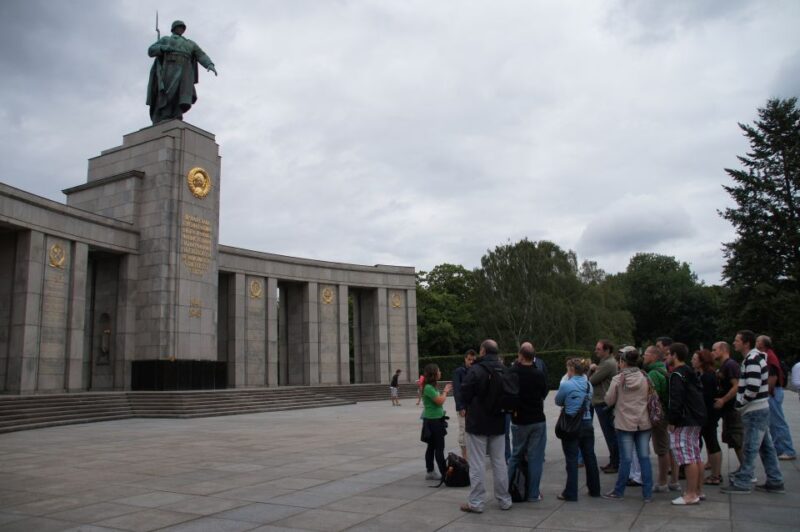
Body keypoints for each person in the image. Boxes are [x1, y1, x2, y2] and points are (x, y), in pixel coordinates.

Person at [722, 330, 785, 494]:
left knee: (750, 446)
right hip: (760, 407)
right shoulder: (755, 358)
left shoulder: (752, 359)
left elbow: (752, 387)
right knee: (766, 447)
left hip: (754, 409)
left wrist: (740, 402)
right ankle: (775, 480)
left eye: (737, 340)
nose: (734, 343)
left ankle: (744, 481)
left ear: (746, 343)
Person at [458, 339, 513, 513]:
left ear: (483, 351)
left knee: (477, 463)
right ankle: (505, 499)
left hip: (477, 422)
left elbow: (465, 392)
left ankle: (476, 502)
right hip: (498, 421)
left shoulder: (476, 370)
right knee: (499, 462)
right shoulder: (504, 370)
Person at [602, 347, 653, 501]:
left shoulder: (618, 379)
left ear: (623, 362)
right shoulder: (645, 377)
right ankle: (647, 494)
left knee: (626, 459)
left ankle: (619, 491)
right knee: (644, 458)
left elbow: (609, 400)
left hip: (624, 422)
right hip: (643, 421)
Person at [147, 20, 218, 124]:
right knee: (169, 91)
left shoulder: (190, 43)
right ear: (173, 29)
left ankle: (177, 113)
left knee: (182, 93)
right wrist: (162, 48)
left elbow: (201, 55)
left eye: (182, 27)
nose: (181, 29)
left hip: (186, 69)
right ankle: (165, 113)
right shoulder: (166, 39)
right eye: (178, 27)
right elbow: (151, 50)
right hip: (171, 66)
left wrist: (209, 64)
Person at [666, 342, 707, 505]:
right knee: (695, 454)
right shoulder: (690, 372)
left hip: (685, 419)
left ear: (675, 355)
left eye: (669, 354)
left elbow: (676, 400)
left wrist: (672, 420)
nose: (667, 357)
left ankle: (690, 494)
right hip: (696, 417)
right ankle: (697, 490)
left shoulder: (677, 375)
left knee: (687, 456)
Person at [507, 343, 548, 502]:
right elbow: (544, 392)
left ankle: (506, 489)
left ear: (521, 356)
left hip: (519, 419)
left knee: (515, 455)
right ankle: (533, 493)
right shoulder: (539, 374)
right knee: (535, 458)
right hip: (537, 419)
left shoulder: (513, 372)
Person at [555, 358, 601, 501]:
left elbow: (558, 401)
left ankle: (571, 492)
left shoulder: (566, 385)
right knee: (590, 457)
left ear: (572, 370)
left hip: (571, 424)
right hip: (587, 423)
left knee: (572, 459)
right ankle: (595, 489)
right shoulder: (588, 384)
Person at [643, 345, 677, 492]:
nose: (643, 356)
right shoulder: (664, 370)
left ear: (653, 356)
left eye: (646, 354)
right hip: (667, 413)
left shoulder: (653, 374)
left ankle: (662, 482)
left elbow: (650, 396)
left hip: (659, 416)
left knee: (661, 448)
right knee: (670, 448)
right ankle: (674, 480)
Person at [757, 335, 797, 460]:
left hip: (773, 392)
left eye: (758, 341)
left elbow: (773, 376)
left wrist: (768, 391)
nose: (756, 342)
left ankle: (788, 450)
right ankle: (780, 449)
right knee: (774, 423)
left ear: (763, 344)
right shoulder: (768, 355)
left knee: (778, 422)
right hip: (774, 391)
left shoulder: (769, 356)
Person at [712, 341, 744, 469]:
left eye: (715, 350)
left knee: (737, 439)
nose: (712, 352)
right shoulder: (724, 365)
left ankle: (747, 470)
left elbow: (737, 385)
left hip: (732, 408)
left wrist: (723, 400)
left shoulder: (730, 365)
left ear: (723, 350)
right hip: (728, 409)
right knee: (732, 439)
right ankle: (744, 468)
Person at [589, 339, 619, 473]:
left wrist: (592, 369)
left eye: (598, 349)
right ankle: (614, 460)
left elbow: (592, 380)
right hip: (604, 402)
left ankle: (615, 462)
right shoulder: (606, 362)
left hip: (603, 403)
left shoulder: (607, 364)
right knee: (610, 434)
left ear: (607, 350)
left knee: (610, 434)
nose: (596, 351)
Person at [693, 349, 722, 485]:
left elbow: (706, 397)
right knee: (711, 442)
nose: (692, 361)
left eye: (695, 358)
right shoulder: (705, 375)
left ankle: (716, 475)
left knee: (712, 442)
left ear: (701, 361)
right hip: (707, 414)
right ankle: (715, 473)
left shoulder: (707, 377)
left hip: (707, 415)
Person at [420, 364, 452, 480]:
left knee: (432, 446)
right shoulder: (428, 387)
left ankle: (430, 471)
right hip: (433, 421)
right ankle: (444, 473)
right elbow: (439, 401)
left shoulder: (431, 387)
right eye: (438, 371)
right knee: (438, 447)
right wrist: (446, 391)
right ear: (434, 373)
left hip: (433, 420)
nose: (440, 372)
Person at [453, 349, 477, 459]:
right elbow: (457, 390)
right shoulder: (459, 371)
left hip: (474, 407)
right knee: (463, 430)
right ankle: (465, 456)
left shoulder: (476, 370)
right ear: (465, 359)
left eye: (473, 360)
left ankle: (470, 453)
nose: (471, 361)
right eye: (469, 359)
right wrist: (460, 407)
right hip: (464, 406)